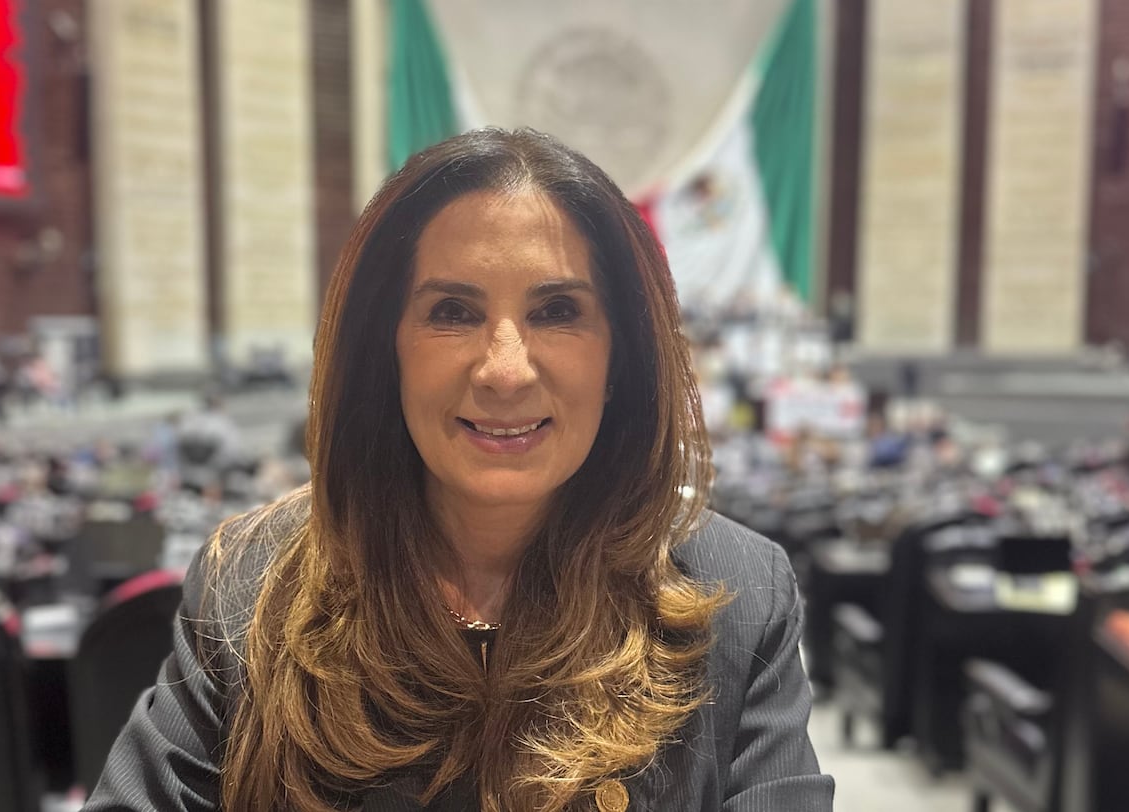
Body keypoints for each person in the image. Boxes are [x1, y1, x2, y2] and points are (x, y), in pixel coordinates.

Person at [83, 128, 833, 811]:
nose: (505, 370)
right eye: (451, 311)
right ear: (389, 350)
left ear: (620, 359)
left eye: (558, 311)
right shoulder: (246, 585)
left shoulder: (738, 595)